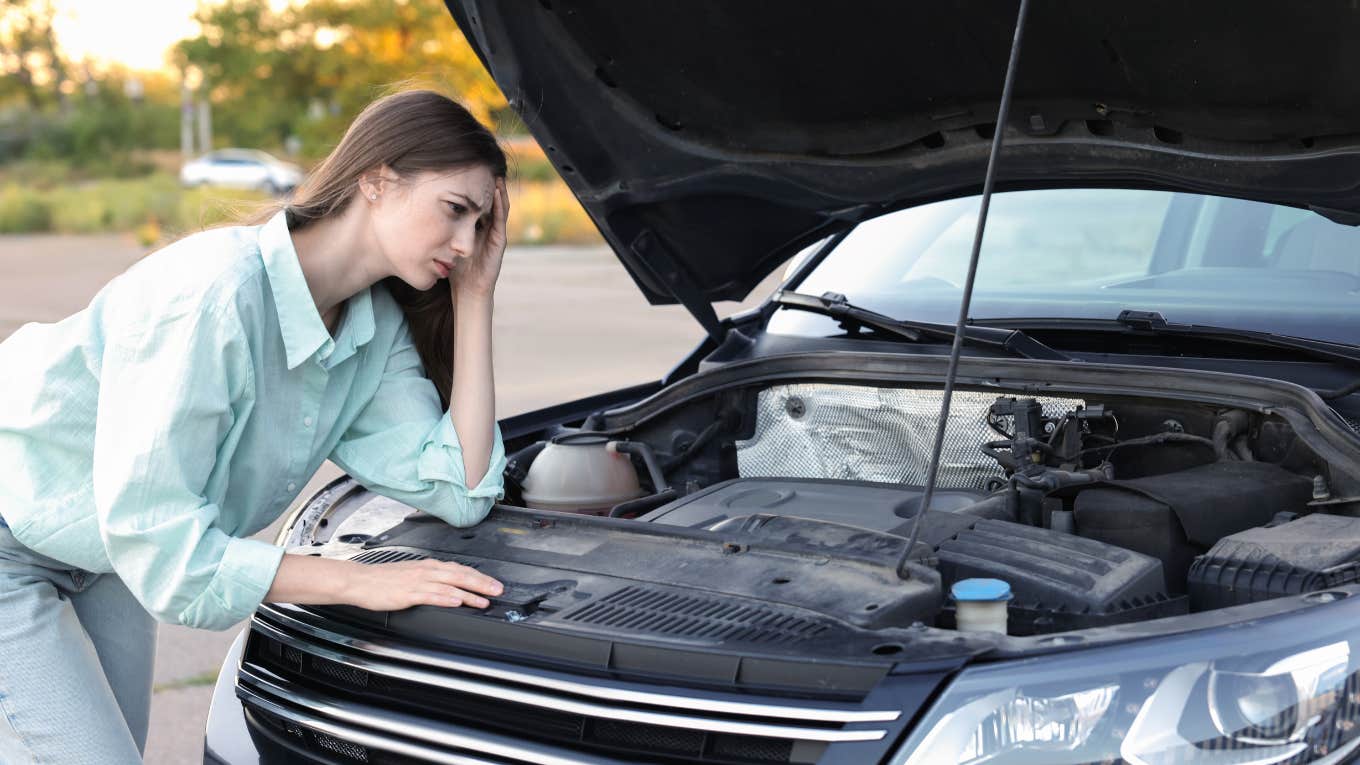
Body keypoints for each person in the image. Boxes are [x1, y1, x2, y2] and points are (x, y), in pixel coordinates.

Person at [0, 89, 511, 763]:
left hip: (109, 553)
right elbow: (169, 552)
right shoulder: (217, 293)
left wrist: (473, 297)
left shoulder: (371, 328)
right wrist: (354, 578)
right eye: (456, 211)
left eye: (482, 225)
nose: (467, 243)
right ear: (377, 178)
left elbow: (461, 488)